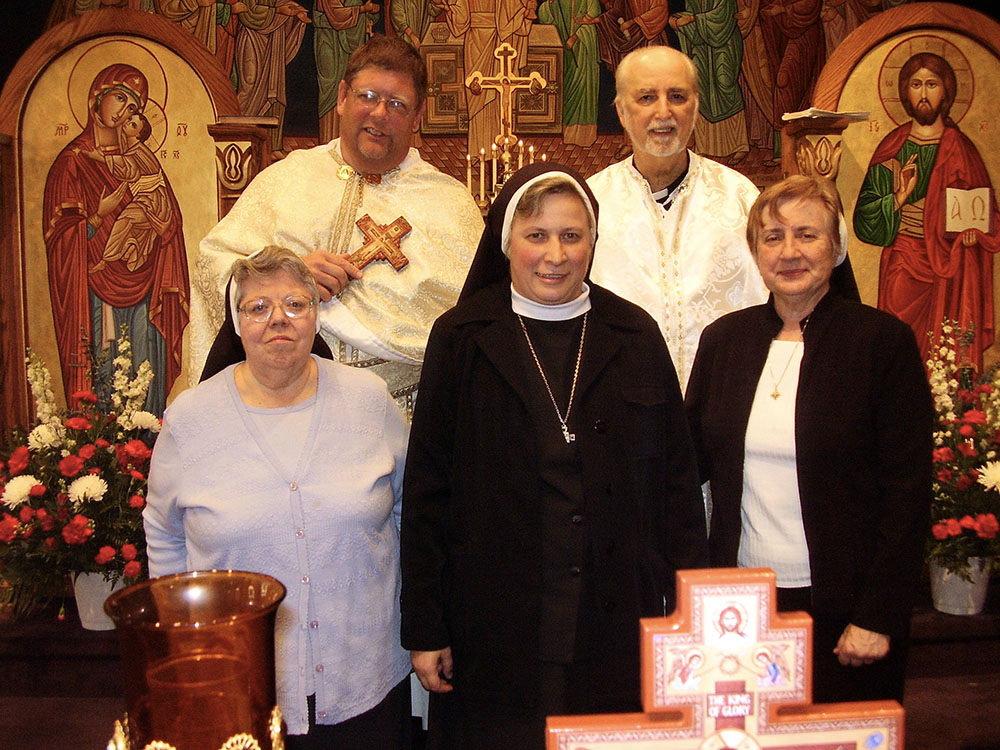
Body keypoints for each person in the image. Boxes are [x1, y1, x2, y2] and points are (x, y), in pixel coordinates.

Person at [400, 162, 708, 749]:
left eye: (572, 235)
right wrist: (425, 625)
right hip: (494, 626)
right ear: (506, 242)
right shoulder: (462, 337)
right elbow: (427, 493)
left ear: (593, 242)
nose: (554, 255)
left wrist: (687, 611)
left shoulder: (633, 334)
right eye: (536, 235)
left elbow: (677, 484)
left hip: (614, 623)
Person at [144, 246, 412, 746]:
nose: (278, 320)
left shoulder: (370, 401)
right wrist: (183, 640)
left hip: (366, 675)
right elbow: (164, 533)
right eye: (258, 307)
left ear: (316, 315)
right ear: (236, 320)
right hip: (239, 683)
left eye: (295, 303)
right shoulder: (190, 421)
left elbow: (407, 512)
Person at [685, 175, 932, 703]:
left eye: (807, 234)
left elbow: (908, 494)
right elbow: (683, 465)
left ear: (837, 246)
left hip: (846, 610)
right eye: (772, 237)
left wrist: (879, 615)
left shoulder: (881, 343)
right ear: (755, 252)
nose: (789, 251)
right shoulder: (723, 342)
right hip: (741, 605)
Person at [193, 34, 483, 414]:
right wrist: (286, 277)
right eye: (367, 97)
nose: (380, 113)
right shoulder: (287, 180)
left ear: (417, 116)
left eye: (397, 104)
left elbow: (478, 320)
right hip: (287, 408)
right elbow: (212, 263)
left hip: (407, 420)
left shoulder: (450, 202)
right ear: (343, 96)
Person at [586, 46, 769, 391]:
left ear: (696, 108)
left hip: (726, 396)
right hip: (622, 402)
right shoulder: (591, 205)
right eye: (646, 98)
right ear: (622, 112)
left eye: (677, 96)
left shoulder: (740, 197)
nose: (664, 112)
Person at [43, 63, 189, 416]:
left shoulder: (144, 161)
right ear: (97, 98)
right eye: (120, 97)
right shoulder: (72, 164)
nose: (127, 110)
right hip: (92, 289)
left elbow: (170, 227)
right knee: (105, 363)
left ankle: (147, 444)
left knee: (143, 364)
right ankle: (102, 443)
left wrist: (156, 224)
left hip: (144, 287)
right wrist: (97, 216)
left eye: (135, 107)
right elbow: (59, 239)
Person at [854, 51, 1000, 370]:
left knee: (947, 351)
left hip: (951, 266)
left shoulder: (961, 149)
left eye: (931, 84)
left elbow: (988, 214)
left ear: (946, 90)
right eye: (916, 84)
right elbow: (865, 218)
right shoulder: (892, 146)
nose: (923, 93)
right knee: (897, 344)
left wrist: (975, 232)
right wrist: (898, 198)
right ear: (904, 91)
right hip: (903, 259)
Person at [80, 113, 172, 275]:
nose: (128, 123)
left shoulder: (138, 150)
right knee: (135, 232)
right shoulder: (131, 148)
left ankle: (104, 260)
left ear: (137, 134)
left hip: (152, 200)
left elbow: (129, 171)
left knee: (124, 220)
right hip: (146, 198)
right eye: (130, 120)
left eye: (133, 125)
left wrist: (99, 158)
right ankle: (131, 251)